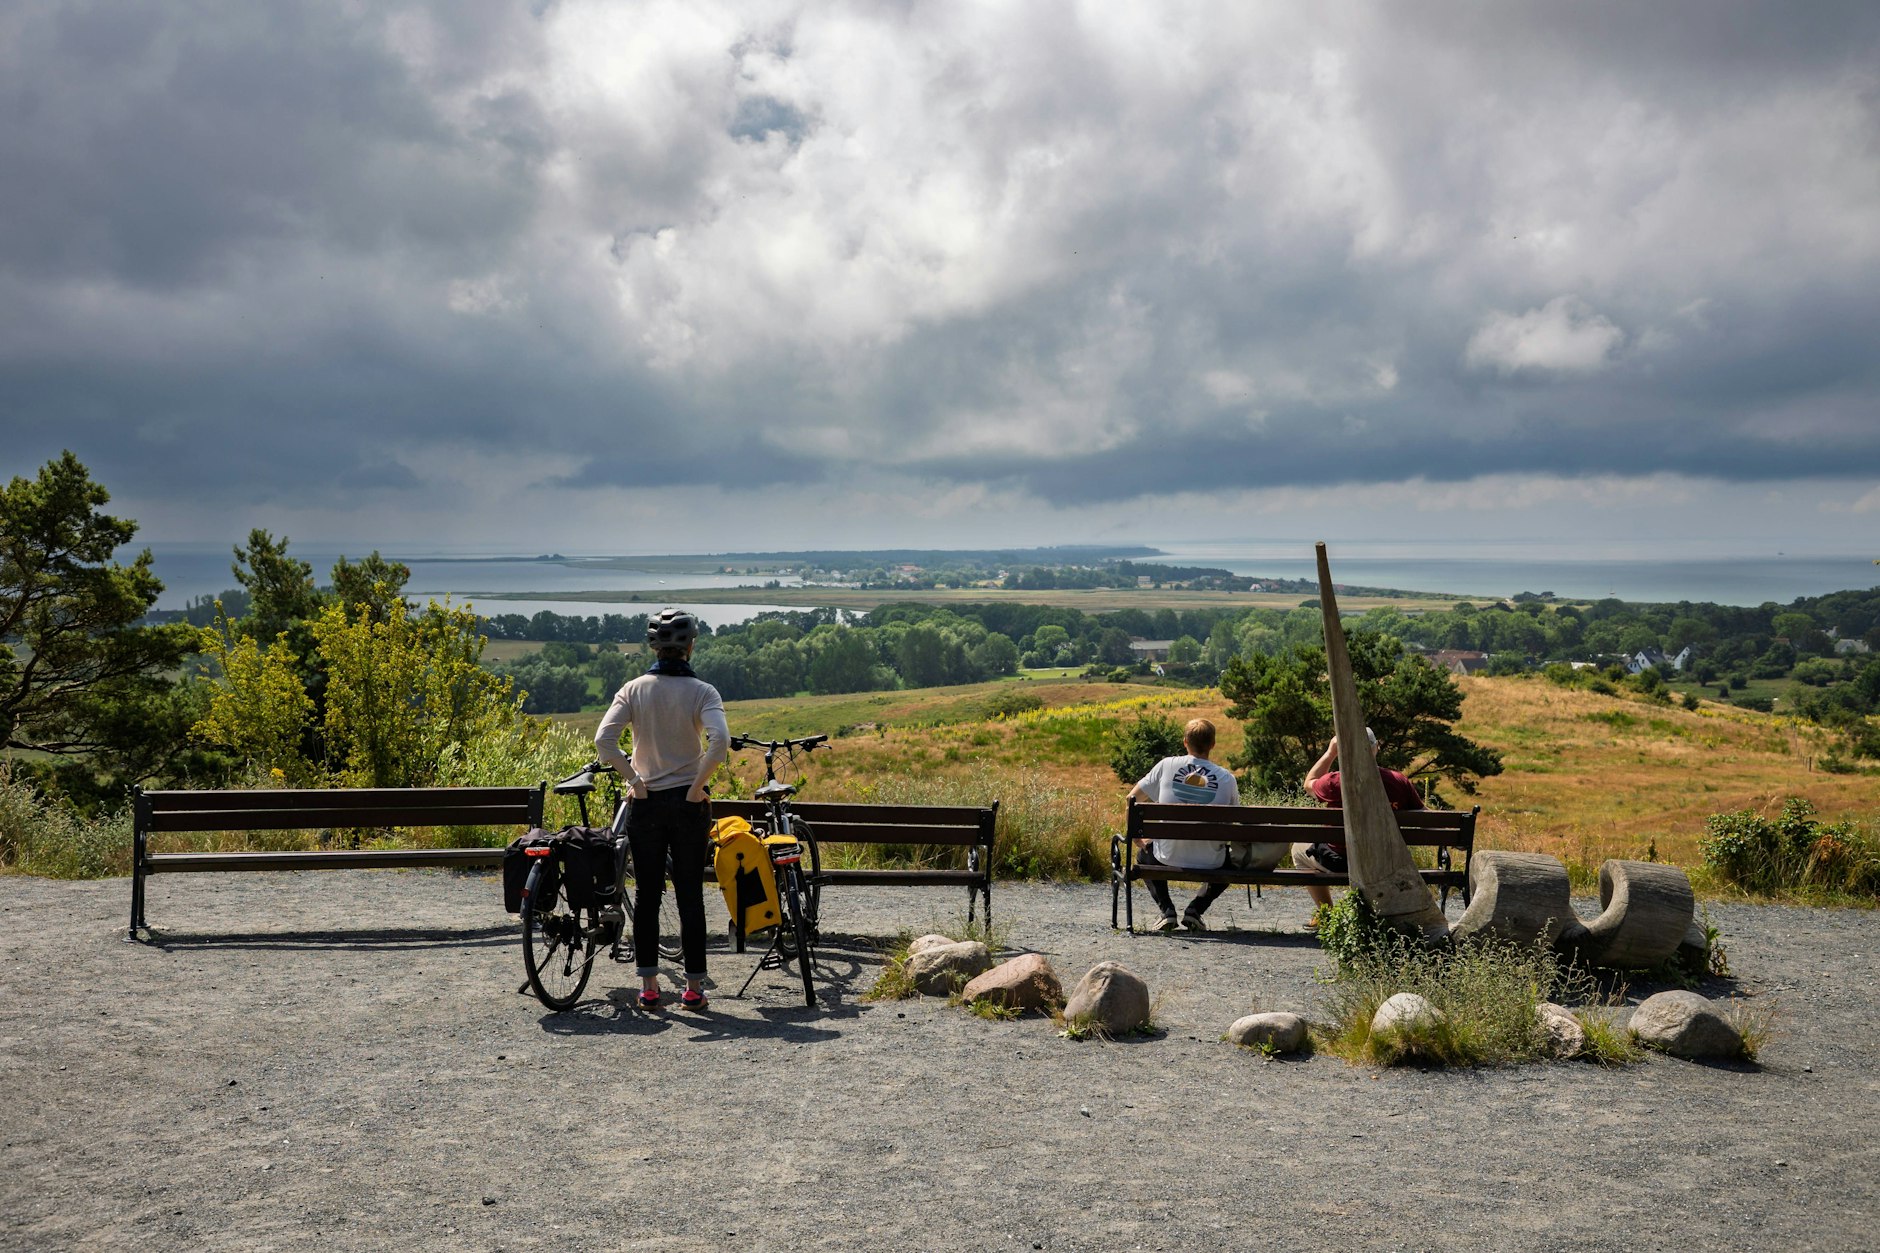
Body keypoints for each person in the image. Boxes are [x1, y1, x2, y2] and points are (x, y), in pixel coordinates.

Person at [595, 608, 729, 1011]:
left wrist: (634, 781)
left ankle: (650, 986)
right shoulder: (704, 692)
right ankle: (693, 989)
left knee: (648, 893)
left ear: (652, 646)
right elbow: (719, 741)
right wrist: (697, 786)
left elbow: (605, 740)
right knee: (690, 894)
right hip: (688, 804)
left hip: (646, 802)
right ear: (691, 646)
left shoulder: (633, 689)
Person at [1127, 718, 1276, 932]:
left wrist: (1136, 838)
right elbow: (1234, 820)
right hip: (1211, 860)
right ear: (1213, 744)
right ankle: (1195, 911)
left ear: (1185, 741)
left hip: (1165, 857)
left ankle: (1167, 911)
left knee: (1144, 856)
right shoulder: (1227, 778)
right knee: (1231, 863)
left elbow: (1132, 800)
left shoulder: (1166, 765)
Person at [1294, 727, 1424, 921]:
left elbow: (1309, 783)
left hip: (1339, 861)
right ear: (1376, 748)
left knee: (1298, 850)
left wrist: (1331, 753)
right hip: (1384, 860)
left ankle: (1327, 913)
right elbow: (1423, 815)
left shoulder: (1335, 782)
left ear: (1345, 749)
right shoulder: (1398, 781)